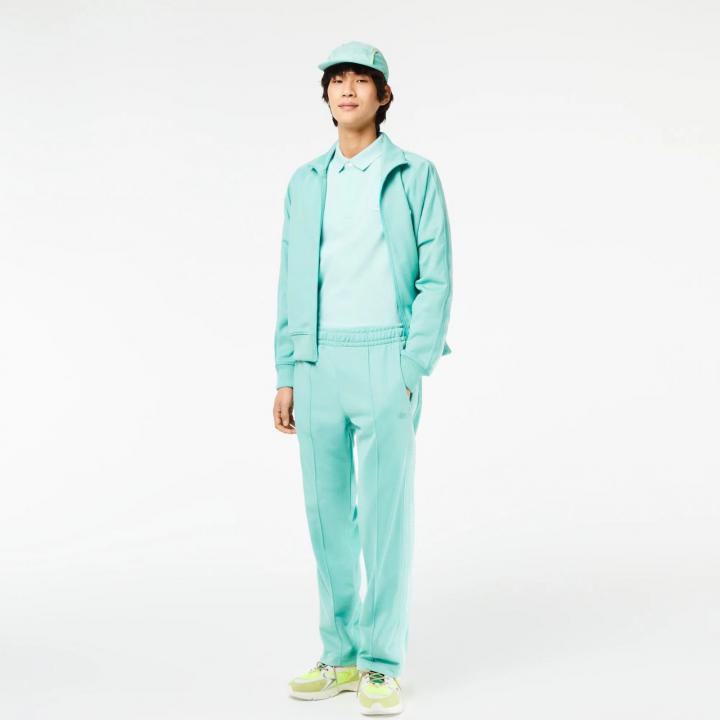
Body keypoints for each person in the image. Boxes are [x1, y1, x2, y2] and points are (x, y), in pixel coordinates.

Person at [273, 40, 453, 715]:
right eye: (337, 80)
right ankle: (340, 654)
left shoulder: (414, 175)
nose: (347, 90)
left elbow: (437, 275)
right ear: (326, 96)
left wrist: (412, 363)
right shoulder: (305, 182)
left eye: (361, 80)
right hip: (317, 363)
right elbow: (290, 280)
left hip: (386, 359)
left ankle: (382, 662)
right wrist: (287, 369)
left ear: (383, 96)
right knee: (327, 520)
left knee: (384, 520)